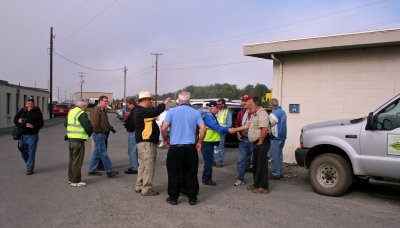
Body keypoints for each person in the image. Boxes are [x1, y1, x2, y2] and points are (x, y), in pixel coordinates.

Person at [161, 91, 206, 206]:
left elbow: (164, 128)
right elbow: (203, 129)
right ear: (189, 101)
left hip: (176, 147)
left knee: (173, 172)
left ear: (178, 100)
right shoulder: (195, 112)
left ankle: (173, 197)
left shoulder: (172, 111)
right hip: (190, 147)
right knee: (191, 172)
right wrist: (199, 142)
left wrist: (166, 139)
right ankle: (192, 197)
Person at [134, 91, 171, 196]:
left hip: (142, 142)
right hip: (147, 142)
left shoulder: (138, 110)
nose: (151, 102)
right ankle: (146, 189)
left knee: (143, 165)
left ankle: (139, 185)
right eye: (150, 100)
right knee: (149, 165)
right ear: (145, 100)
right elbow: (156, 111)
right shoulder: (143, 112)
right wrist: (164, 103)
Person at [231, 97, 270, 193]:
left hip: (262, 142)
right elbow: (247, 125)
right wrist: (235, 130)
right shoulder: (254, 114)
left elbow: (264, 129)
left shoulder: (262, 113)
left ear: (255, 104)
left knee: (261, 165)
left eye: (250, 104)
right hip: (256, 142)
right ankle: (257, 184)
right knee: (256, 164)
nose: (248, 106)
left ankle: (263, 187)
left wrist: (260, 142)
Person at [201, 101, 232, 186]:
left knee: (209, 161)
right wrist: (227, 129)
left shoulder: (210, 115)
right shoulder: (208, 116)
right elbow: (214, 126)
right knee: (208, 161)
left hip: (210, 141)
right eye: (217, 108)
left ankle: (206, 178)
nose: (218, 109)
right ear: (211, 108)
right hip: (207, 141)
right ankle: (207, 179)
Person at [87, 95, 119, 178]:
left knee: (96, 153)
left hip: (101, 134)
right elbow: (94, 124)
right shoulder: (96, 109)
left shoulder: (101, 110)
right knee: (103, 153)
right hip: (99, 135)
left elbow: (103, 122)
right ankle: (109, 171)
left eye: (107, 101)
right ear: (100, 101)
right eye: (105, 101)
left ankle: (91, 170)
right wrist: (99, 132)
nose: (106, 103)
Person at [14, 96, 44, 175]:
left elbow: (41, 123)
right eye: (28, 103)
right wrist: (18, 120)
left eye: (32, 103)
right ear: (26, 104)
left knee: (31, 152)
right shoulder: (22, 110)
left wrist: (33, 126)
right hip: (23, 135)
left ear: (34, 104)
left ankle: (29, 168)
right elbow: (15, 119)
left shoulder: (37, 111)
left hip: (32, 135)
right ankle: (29, 163)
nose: (30, 105)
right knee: (23, 151)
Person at [66, 100, 93, 187]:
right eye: (87, 106)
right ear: (83, 105)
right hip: (78, 140)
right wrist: (89, 133)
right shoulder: (81, 113)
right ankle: (76, 181)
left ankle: (71, 179)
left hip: (71, 139)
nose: (87, 108)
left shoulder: (71, 111)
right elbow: (87, 126)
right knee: (77, 161)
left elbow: (65, 123)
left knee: (72, 160)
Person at [233, 94, 254, 186]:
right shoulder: (241, 112)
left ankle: (256, 181)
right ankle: (240, 179)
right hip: (243, 140)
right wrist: (237, 132)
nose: (244, 102)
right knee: (241, 160)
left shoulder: (255, 112)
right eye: (243, 100)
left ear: (251, 101)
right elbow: (237, 124)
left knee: (254, 160)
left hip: (253, 140)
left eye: (246, 100)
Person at [268, 98, 287, 180]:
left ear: (272, 105)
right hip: (283, 137)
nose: (270, 106)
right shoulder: (283, 112)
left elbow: (268, 125)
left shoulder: (274, 114)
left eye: (270, 105)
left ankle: (276, 174)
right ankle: (280, 172)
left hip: (275, 137)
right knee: (279, 155)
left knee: (275, 156)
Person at [214, 98, 232, 167]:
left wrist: (220, 127)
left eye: (220, 104)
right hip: (215, 131)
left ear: (223, 104)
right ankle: (215, 161)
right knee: (215, 148)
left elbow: (229, 124)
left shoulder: (227, 112)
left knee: (220, 148)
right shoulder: (216, 111)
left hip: (222, 132)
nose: (218, 105)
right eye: (217, 104)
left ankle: (220, 162)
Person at [123, 99, 138, 174]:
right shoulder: (134, 111)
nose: (128, 106)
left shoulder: (135, 111)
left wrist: (127, 126)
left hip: (133, 132)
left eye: (129, 104)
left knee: (132, 151)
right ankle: (134, 166)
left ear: (132, 104)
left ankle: (134, 168)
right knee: (133, 151)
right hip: (133, 132)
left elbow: (133, 123)